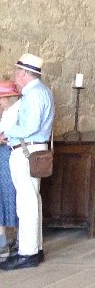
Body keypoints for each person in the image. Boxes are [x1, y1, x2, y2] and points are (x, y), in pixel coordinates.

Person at [0, 53, 54, 270]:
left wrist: (6, 132)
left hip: (25, 151)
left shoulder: (33, 94)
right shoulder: (43, 91)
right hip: (34, 151)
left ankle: (27, 253)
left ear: (24, 72)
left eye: (17, 70)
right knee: (33, 200)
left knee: (26, 203)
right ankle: (35, 248)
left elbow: (29, 127)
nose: (15, 74)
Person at [0, 79, 21, 256]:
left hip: (8, 156)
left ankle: (13, 239)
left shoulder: (14, 112)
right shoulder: (9, 112)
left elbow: (7, 136)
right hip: (4, 156)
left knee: (10, 195)